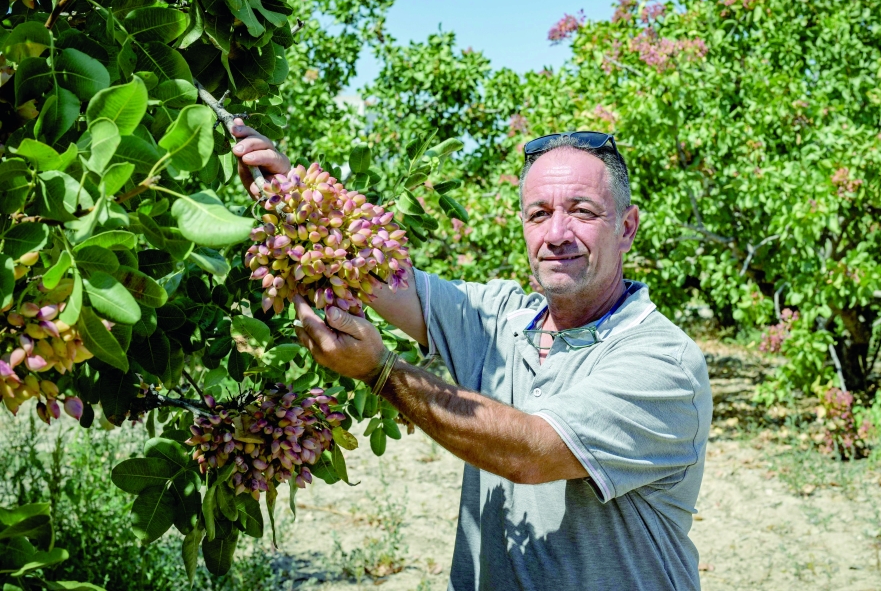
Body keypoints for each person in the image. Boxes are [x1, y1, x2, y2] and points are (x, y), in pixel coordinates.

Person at [232, 121, 712, 591]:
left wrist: (382, 374)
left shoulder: (662, 360)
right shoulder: (504, 319)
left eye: (582, 211)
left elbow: (530, 453)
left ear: (627, 227)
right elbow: (373, 275)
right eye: (539, 213)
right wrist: (293, 201)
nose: (557, 233)